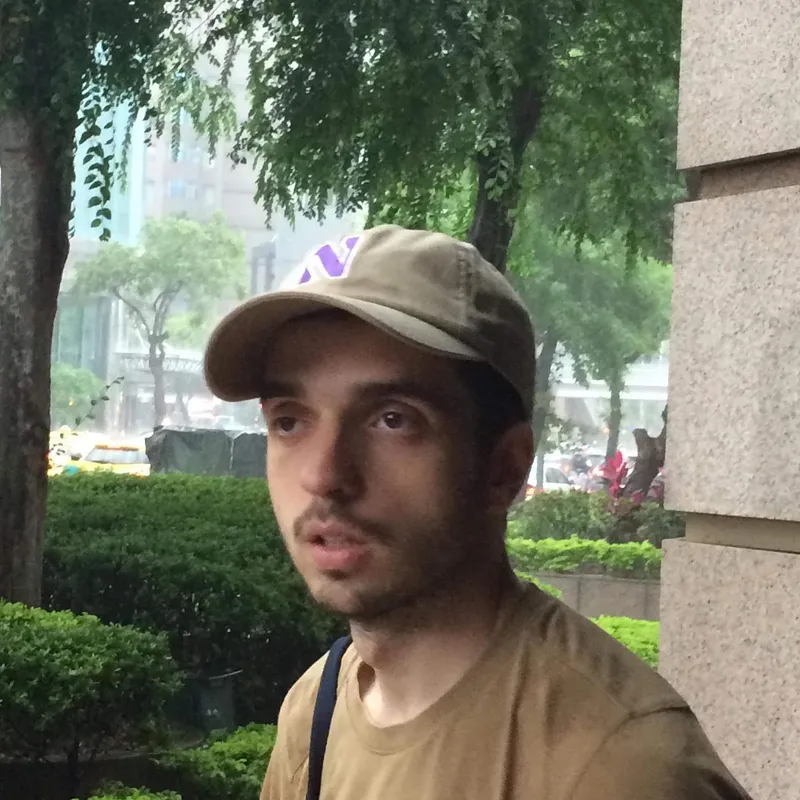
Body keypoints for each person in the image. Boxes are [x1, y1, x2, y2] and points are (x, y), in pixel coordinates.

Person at [203, 225, 752, 800]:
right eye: (289, 420)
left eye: (393, 419)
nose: (323, 475)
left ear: (504, 468)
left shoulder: (623, 766)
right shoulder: (315, 712)